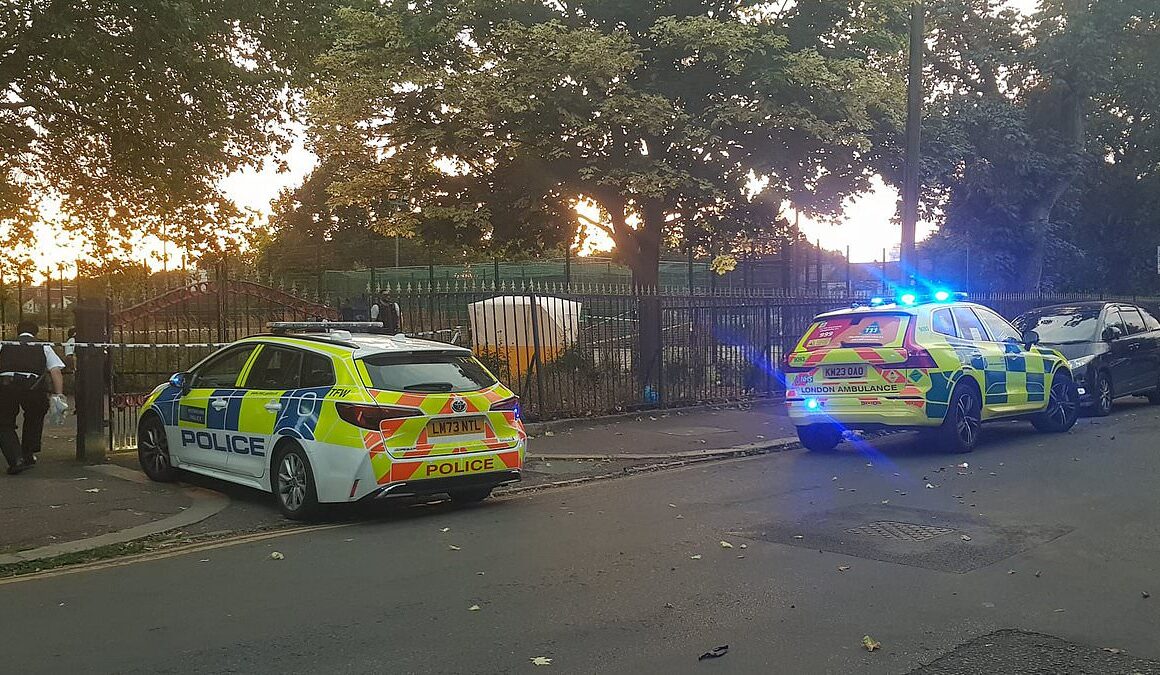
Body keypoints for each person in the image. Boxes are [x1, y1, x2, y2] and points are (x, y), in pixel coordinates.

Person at [0, 320, 67, 474]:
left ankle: (15, 459)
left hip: (5, 385)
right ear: (36, 333)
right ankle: (28, 453)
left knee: (4, 423)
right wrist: (59, 394)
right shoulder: (42, 345)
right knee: (35, 416)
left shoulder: (5, 344)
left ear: (18, 332)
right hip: (32, 386)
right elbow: (55, 371)